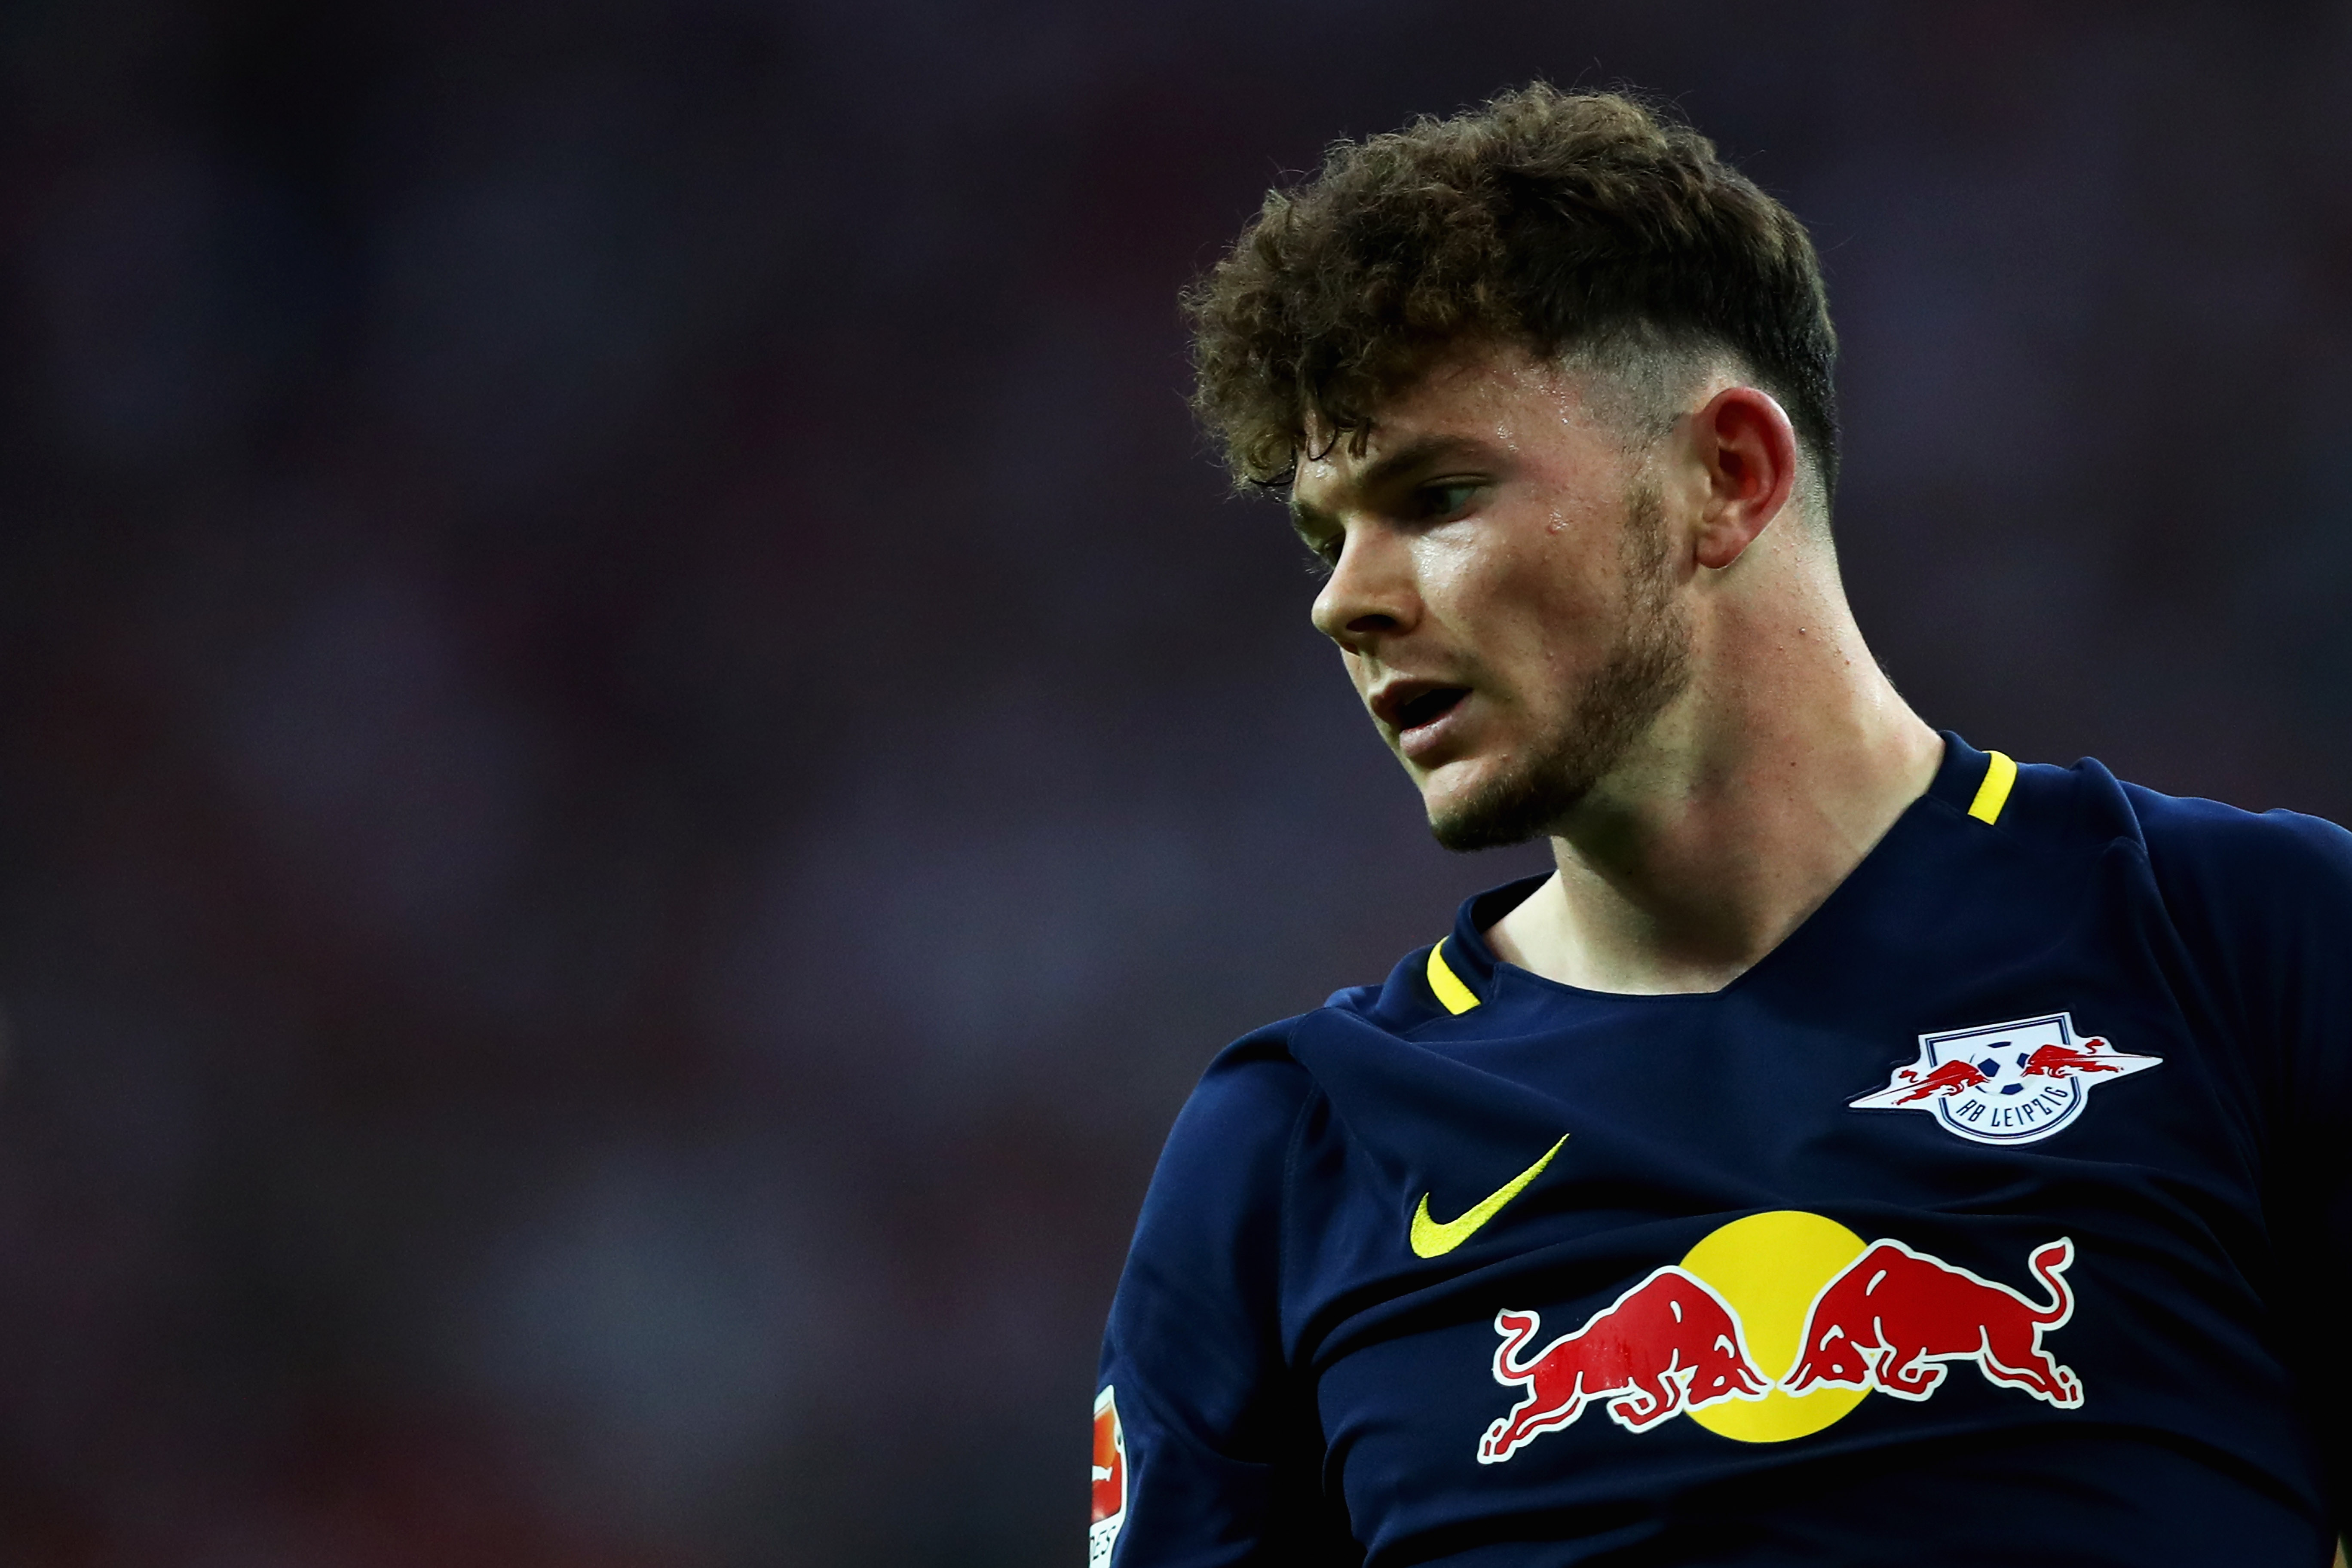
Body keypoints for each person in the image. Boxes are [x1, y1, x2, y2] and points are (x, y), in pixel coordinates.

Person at [1088, 84, 2352, 1567]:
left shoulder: (2255, 947)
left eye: (1434, 495)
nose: (1344, 599)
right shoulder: (1291, 1157)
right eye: (1325, 536)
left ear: (1728, 477)